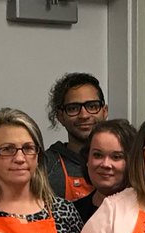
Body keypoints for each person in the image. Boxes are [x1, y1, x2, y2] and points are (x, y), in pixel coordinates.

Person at [43, 73, 109, 201]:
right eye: (73, 108)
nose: (84, 115)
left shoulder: (124, 164)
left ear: (104, 111)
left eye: (92, 106)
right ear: (60, 116)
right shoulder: (45, 166)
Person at [73, 119, 136, 223]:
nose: (105, 164)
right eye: (98, 155)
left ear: (133, 162)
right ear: (87, 159)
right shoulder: (72, 213)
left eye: (116, 157)